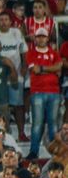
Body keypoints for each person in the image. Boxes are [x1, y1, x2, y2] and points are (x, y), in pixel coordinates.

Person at [26, 27, 62, 159]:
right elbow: (35, 70)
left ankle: (56, 151)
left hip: (53, 92)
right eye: (39, 36)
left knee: (53, 123)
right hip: (38, 91)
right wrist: (51, 69)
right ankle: (34, 151)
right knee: (37, 123)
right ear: (35, 38)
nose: (41, 39)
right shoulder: (31, 53)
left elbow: (59, 67)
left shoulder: (54, 52)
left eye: (43, 36)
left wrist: (42, 68)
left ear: (47, 38)